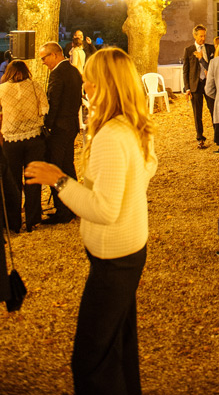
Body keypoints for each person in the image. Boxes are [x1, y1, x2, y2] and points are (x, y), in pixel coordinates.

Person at [25, 47, 158, 395]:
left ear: (108, 84)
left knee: (90, 359)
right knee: (119, 344)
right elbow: (147, 168)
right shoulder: (134, 124)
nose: (85, 85)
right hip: (130, 247)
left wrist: (59, 180)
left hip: (115, 258)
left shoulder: (112, 135)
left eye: (91, 80)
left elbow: (104, 210)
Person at [0, 60, 48, 232]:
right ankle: (32, 220)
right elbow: (45, 108)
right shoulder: (35, 86)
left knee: (12, 182)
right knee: (33, 179)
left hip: (10, 139)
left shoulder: (2, 89)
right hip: (34, 138)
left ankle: (13, 223)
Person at [39, 41, 83, 224]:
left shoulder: (57, 73)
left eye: (44, 58)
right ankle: (75, 206)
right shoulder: (74, 71)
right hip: (71, 124)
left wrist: (48, 125)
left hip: (59, 128)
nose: (42, 62)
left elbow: (53, 101)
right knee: (68, 167)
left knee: (56, 169)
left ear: (54, 55)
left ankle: (63, 211)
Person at [182, 24, 215, 150]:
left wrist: (202, 59)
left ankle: (218, 136)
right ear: (194, 36)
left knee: (213, 110)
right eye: (201, 36)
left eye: (204, 35)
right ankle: (200, 138)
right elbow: (185, 71)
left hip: (208, 84)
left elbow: (213, 67)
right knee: (197, 113)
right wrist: (187, 88)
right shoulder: (189, 50)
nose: (203, 38)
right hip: (195, 85)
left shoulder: (211, 48)